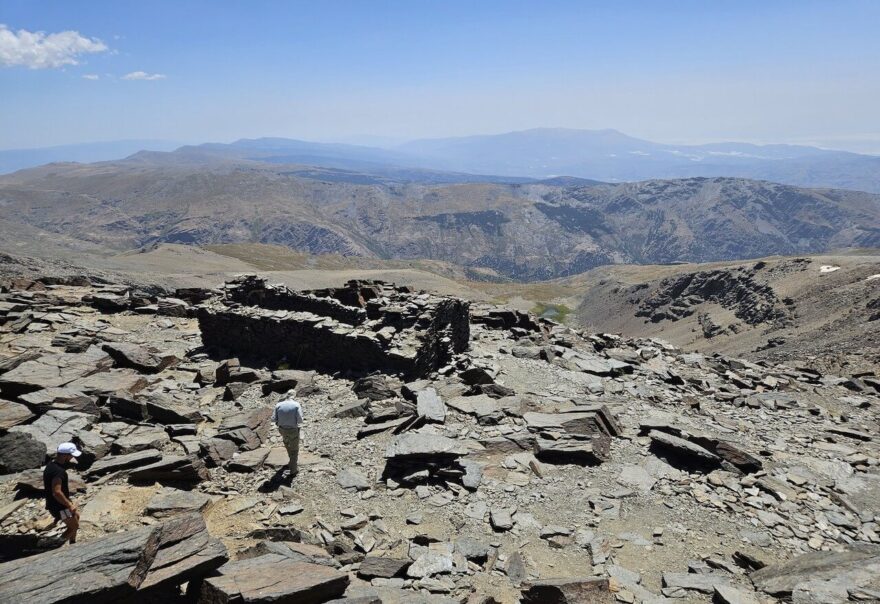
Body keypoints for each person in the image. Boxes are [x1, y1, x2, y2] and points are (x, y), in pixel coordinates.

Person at [43, 442, 81, 544]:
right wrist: (69, 504)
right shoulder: (59, 472)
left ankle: (73, 542)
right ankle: (57, 544)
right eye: (71, 455)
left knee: (76, 516)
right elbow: (57, 492)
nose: (72, 457)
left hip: (57, 504)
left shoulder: (51, 465)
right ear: (65, 455)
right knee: (74, 526)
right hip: (60, 507)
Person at [272, 390, 303, 479]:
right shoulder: (296, 405)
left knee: (287, 444)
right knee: (294, 449)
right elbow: (300, 419)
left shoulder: (278, 405)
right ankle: (293, 469)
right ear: (294, 396)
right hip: (293, 429)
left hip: (282, 430)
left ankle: (291, 461)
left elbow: (273, 419)